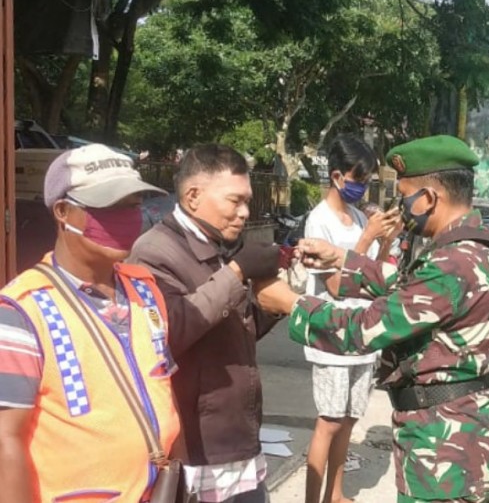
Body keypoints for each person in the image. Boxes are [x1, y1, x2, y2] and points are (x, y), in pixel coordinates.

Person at [254, 135, 489, 503]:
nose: (401, 208)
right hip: (468, 432)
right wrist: (342, 259)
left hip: (446, 450)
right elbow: (410, 286)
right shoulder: (476, 243)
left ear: (428, 199)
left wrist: (292, 305)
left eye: (404, 196)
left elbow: (364, 328)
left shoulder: (453, 260)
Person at [0, 144, 180, 502]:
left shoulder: (143, 290)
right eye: (108, 206)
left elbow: (164, 388)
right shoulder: (21, 310)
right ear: (64, 212)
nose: (128, 216)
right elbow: (6, 440)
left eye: (132, 204)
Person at [129, 143, 281, 503]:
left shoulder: (222, 246)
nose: (245, 212)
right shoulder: (153, 253)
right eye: (235, 200)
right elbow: (170, 332)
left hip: (238, 435)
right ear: (194, 196)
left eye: (247, 201)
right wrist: (238, 272)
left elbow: (239, 334)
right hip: (197, 447)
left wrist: (276, 301)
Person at [303, 135, 400, 503]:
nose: (363, 187)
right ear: (337, 176)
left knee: (348, 421)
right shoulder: (319, 221)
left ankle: (336, 493)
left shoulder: (359, 216)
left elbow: (375, 273)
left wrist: (387, 238)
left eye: (368, 180)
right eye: (359, 179)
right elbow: (337, 285)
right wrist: (365, 239)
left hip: (362, 335)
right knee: (328, 421)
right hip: (330, 336)